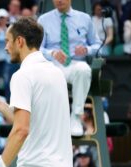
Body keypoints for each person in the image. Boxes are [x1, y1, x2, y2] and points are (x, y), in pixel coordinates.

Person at [0, 17, 73, 167]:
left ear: (20, 41)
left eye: (8, 41)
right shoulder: (57, 73)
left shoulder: (23, 75)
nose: (6, 47)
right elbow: (28, 121)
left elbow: (21, 130)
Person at [38, 0, 102, 136]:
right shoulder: (43, 20)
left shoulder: (85, 18)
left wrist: (87, 49)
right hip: (53, 64)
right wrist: (52, 53)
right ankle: (54, 121)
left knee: (84, 69)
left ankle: (76, 118)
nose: (59, 1)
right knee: (48, 73)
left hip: (75, 64)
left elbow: (98, 46)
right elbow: (36, 48)